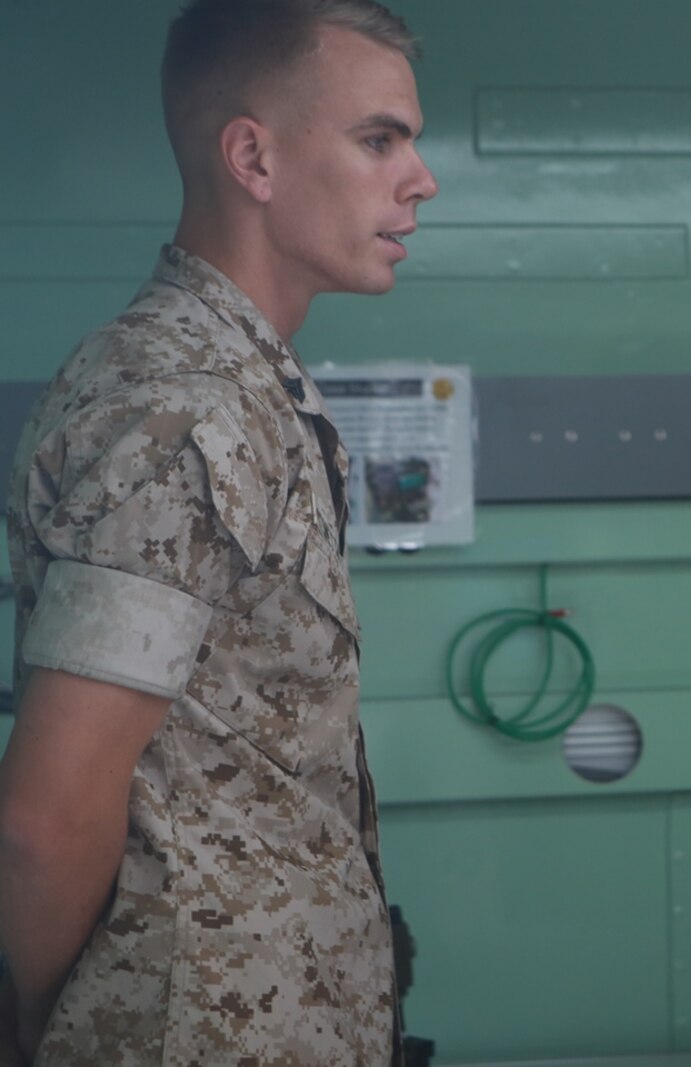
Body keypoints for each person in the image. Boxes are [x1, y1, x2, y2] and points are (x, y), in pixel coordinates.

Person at [0, 1, 437, 1064]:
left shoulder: (245, 387)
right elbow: (46, 816)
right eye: (379, 139)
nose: (420, 179)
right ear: (253, 157)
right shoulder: (181, 407)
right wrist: (40, 1032)